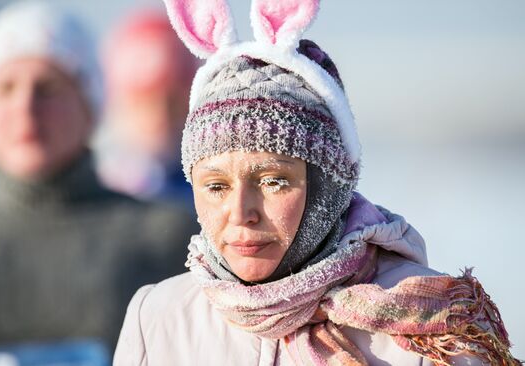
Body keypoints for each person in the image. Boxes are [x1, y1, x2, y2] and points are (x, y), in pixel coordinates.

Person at [114, 1, 520, 366]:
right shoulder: (158, 319)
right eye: (215, 186)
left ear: (326, 186)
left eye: (273, 181)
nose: (240, 213)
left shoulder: (427, 330)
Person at [0, 0, 197, 354]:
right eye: (6, 88)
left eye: (47, 88)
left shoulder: (170, 240)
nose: (25, 107)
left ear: (90, 104)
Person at [94, 9, 198, 203]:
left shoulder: (210, 187)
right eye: (145, 103)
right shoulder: (98, 188)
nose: (161, 118)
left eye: (173, 103)